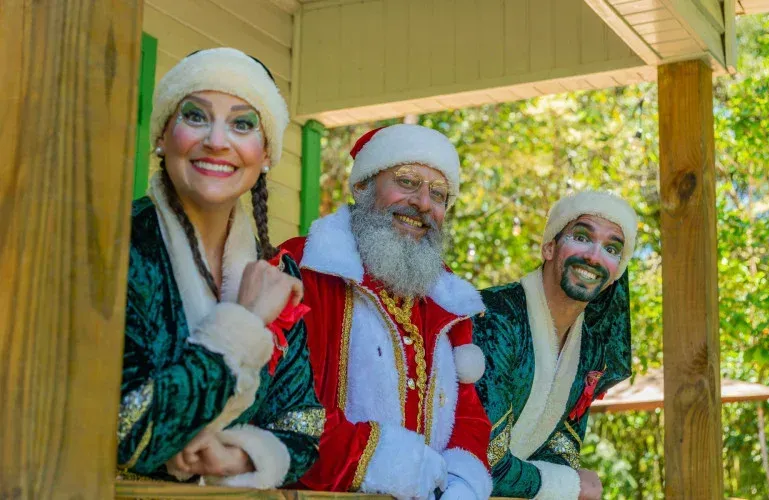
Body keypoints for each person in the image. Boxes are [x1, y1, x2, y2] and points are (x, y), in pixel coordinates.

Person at [116, 47, 322, 489]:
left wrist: (236, 456)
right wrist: (242, 326)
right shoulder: (118, 245)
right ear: (162, 136)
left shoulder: (275, 270)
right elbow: (125, 431)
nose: (216, 140)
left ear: (265, 154)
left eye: (242, 124)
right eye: (196, 116)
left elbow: (303, 424)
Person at [281, 124, 492, 499]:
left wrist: (461, 485)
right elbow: (286, 409)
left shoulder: (448, 299)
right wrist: (398, 466)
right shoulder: (305, 268)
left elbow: (468, 416)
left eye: (438, 194)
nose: (423, 203)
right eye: (407, 181)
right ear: (363, 186)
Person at [472, 191, 638, 499]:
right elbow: (484, 459)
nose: (594, 256)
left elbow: (562, 449)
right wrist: (569, 485)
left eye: (612, 249)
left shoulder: (591, 350)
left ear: (616, 273)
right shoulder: (494, 316)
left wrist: (562, 480)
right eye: (582, 237)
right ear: (549, 246)